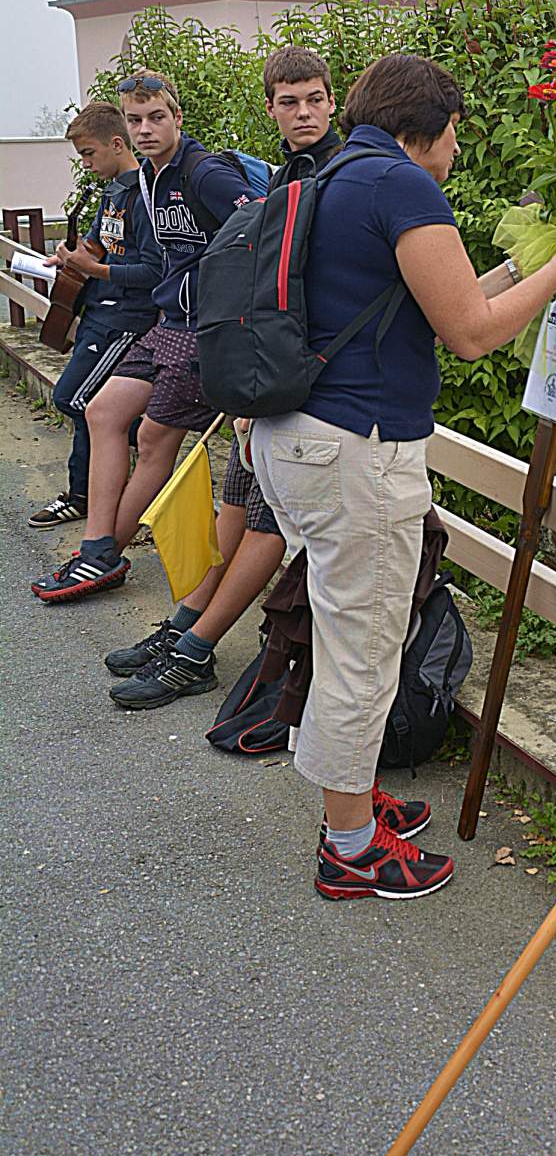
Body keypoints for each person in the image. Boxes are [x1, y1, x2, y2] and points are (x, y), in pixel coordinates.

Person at [251, 52, 556, 902]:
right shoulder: (404, 186)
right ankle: (349, 847)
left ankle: (351, 798)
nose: (456, 153)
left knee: (348, 633)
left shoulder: (338, 174)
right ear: (431, 128)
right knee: (364, 652)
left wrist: (523, 264)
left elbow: (441, 302)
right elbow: (472, 335)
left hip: (296, 439)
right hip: (355, 452)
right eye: (454, 136)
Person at [106, 47, 343, 707]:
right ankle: (185, 624)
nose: (303, 113)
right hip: (265, 371)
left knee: (265, 518)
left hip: (304, 380)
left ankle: (196, 650)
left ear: (334, 102)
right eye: (289, 102)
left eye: (314, 99)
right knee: (236, 499)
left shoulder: (342, 175)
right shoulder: (290, 172)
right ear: (271, 108)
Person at [32, 72, 254, 604]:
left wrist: (225, 297)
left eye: (156, 117)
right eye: (136, 120)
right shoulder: (151, 178)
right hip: (168, 321)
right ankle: (97, 546)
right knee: (102, 411)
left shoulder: (204, 173)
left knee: (154, 440)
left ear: (177, 117)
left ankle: (102, 556)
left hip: (206, 328)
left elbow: (266, 226)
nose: (146, 128)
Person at [29, 103, 162, 528]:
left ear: (117, 144)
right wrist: (69, 258)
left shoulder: (145, 196)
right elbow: (98, 243)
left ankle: (146, 446)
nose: (85, 163)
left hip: (126, 321)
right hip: (99, 315)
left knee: (76, 400)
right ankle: (85, 493)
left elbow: (155, 271)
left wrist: (97, 270)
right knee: (85, 403)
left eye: (89, 153)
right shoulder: (112, 192)